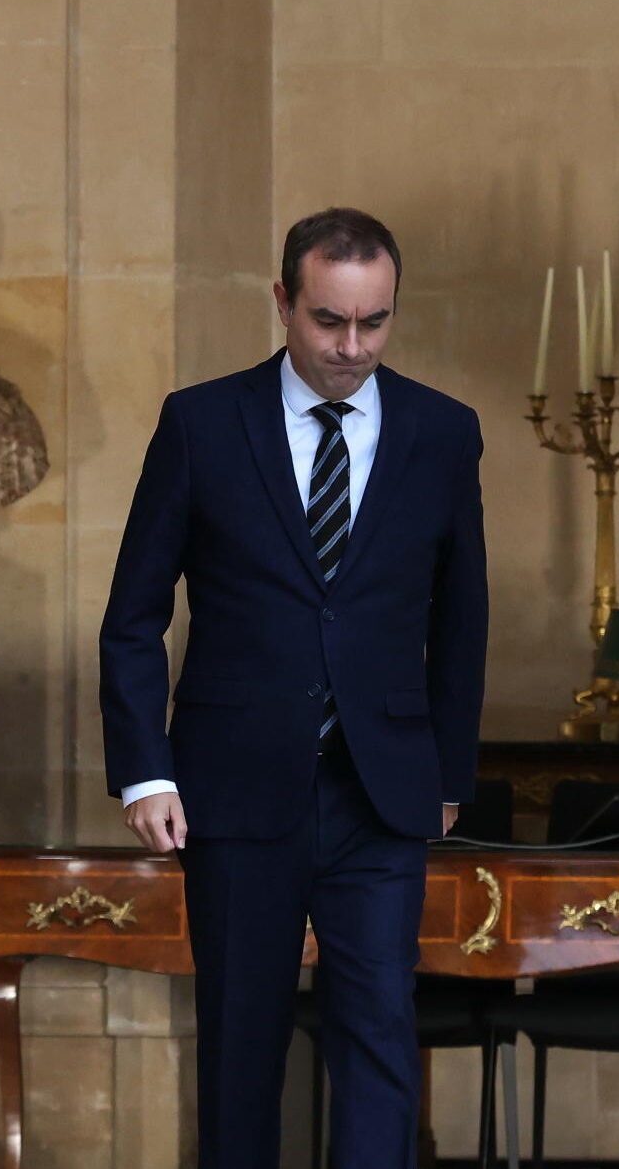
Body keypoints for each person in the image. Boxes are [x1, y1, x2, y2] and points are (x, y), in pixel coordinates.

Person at [97, 207, 488, 1168]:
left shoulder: (443, 431)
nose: (352, 346)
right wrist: (146, 773)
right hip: (232, 788)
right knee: (241, 1044)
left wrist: (448, 776)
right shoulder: (200, 423)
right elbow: (134, 615)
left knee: (380, 1035)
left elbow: (463, 618)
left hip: (382, 790)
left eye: (374, 322)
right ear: (283, 301)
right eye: (328, 320)